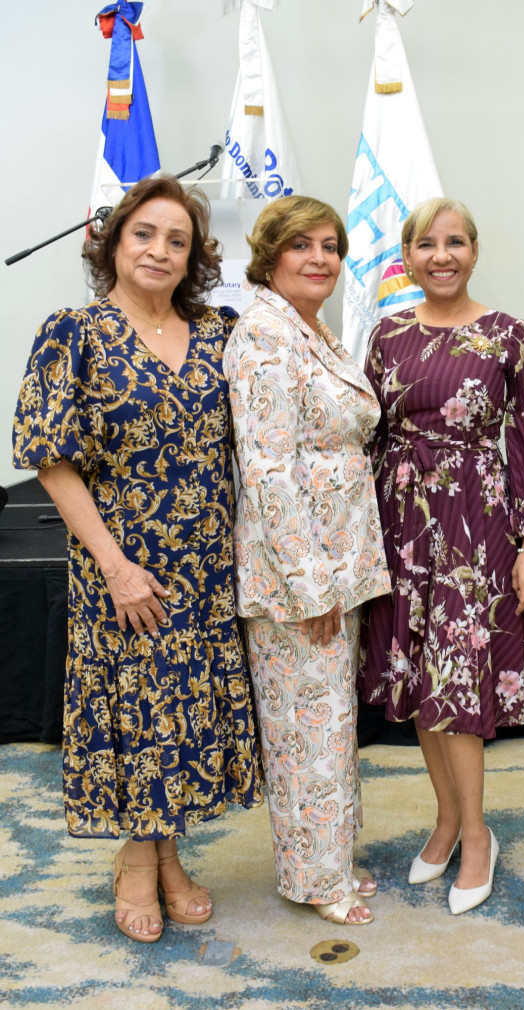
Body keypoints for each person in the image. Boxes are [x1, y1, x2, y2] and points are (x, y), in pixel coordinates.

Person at [12, 175, 263, 942]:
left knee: (183, 711)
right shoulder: (73, 333)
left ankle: (169, 856)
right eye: (143, 235)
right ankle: (136, 861)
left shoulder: (221, 332)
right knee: (137, 711)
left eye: (177, 240)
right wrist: (116, 565)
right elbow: (50, 458)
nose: (159, 250)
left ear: (194, 257)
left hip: (207, 562)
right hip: (122, 562)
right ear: (113, 245)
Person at [359, 197, 524, 915]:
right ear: (406, 259)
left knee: (456, 686)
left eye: (456, 242)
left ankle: (477, 835)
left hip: (475, 530)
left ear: (474, 251)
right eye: (426, 245)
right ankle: (445, 817)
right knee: (416, 682)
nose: (441, 255)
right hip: (400, 529)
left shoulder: (507, 335)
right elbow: (371, 439)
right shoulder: (385, 336)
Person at [223, 195, 391, 926]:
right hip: (300, 576)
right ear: (270, 255)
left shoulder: (307, 327)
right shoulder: (263, 334)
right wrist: (310, 582)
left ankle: (328, 859)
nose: (320, 258)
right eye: (302, 245)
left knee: (324, 723)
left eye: (330, 245)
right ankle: (319, 881)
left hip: (336, 560)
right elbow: (267, 471)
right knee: (306, 729)